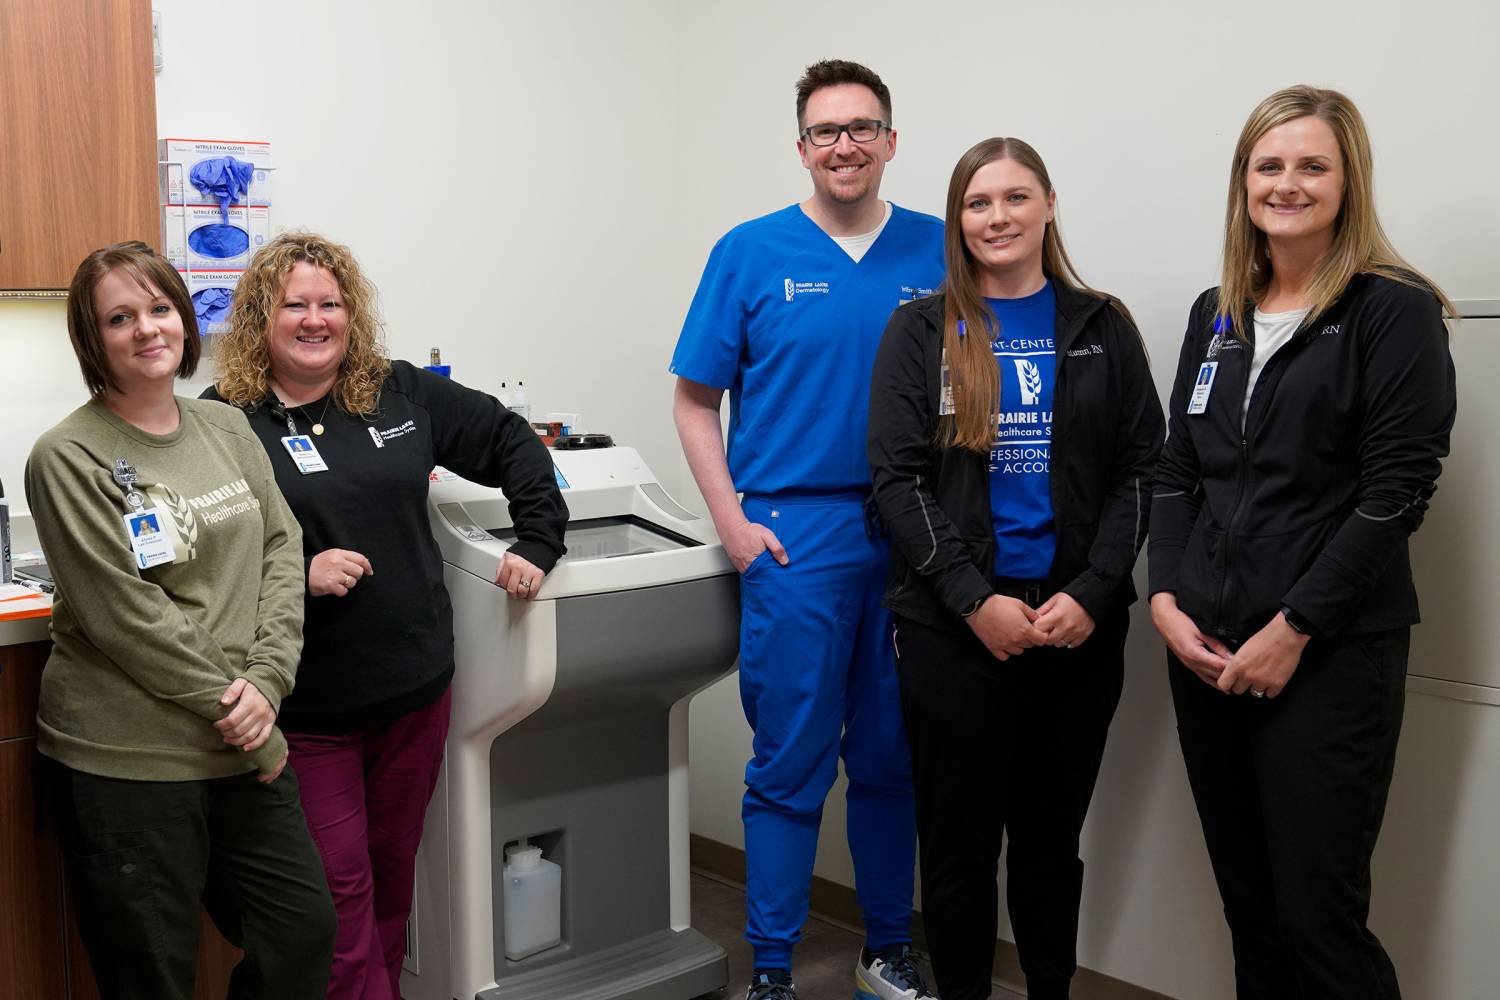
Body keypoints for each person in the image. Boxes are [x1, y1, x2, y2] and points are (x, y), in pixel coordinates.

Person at [1148, 85, 1456, 1000]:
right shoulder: (1220, 311)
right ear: (1243, 181)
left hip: (1325, 659)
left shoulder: (1391, 311)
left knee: (1319, 924)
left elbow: (1397, 493)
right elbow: (1177, 472)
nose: (1289, 183)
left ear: (1348, 179)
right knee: (1251, 913)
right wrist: (1165, 597)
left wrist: (1294, 628)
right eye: (1269, 165)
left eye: (1312, 165)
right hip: (1205, 654)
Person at [205, 232, 568, 1000]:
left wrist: (538, 539)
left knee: (391, 886)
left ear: (351, 313)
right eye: (294, 304)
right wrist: (299, 573)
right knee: (333, 910)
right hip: (306, 708)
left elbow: (511, 440)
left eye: (329, 303)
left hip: (413, 694)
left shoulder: (396, 392)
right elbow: (205, 559)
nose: (314, 319)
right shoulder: (226, 420)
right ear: (260, 319)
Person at [670, 59, 944, 1000]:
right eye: (826, 131)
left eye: (862, 127)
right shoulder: (750, 253)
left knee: (891, 755)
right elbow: (695, 400)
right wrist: (733, 524)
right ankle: (776, 964)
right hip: (794, 536)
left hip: (913, 540)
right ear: (801, 148)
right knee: (789, 761)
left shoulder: (940, 252)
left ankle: (887, 947)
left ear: (891, 142)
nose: (845, 145)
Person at [868, 138, 1164, 1000]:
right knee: (958, 848)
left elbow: (1145, 469)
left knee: (1048, 844)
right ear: (958, 218)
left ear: (1048, 205)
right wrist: (972, 601)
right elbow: (896, 477)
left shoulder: (1101, 326)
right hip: (953, 636)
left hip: (1076, 632)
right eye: (977, 202)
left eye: (1015, 197)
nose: (996, 217)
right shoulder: (922, 328)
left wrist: (1096, 590)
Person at [26, 241, 335, 999]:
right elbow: (126, 617)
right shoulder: (67, 456)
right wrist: (246, 713)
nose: (147, 329)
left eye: (160, 308)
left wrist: (267, 681)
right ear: (92, 341)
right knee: (152, 977)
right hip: (129, 759)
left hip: (241, 740)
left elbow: (280, 546)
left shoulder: (224, 428)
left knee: (301, 933)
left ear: (184, 318)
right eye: (120, 318)